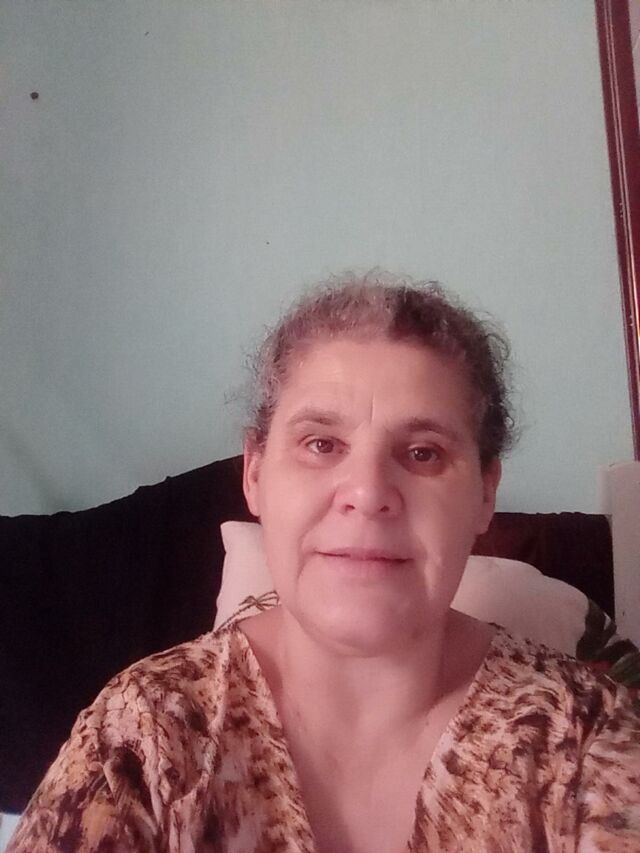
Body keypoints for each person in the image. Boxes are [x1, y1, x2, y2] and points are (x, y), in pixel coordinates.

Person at [7, 272, 640, 852]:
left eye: (423, 453)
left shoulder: (586, 737)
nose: (366, 492)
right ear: (255, 475)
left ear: (484, 494)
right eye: (321, 443)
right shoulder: (145, 735)